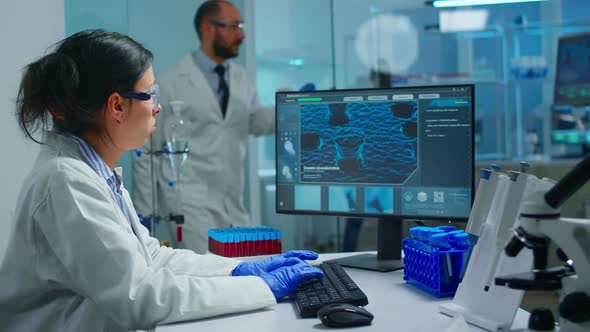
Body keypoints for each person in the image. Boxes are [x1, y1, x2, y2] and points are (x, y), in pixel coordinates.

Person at [0, 29, 323, 332]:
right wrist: (262, 287)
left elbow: (150, 256)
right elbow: (139, 296)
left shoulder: (90, 169)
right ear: (117, 106)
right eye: (150, 94)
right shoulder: (66, 181)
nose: (158, 108)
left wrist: (238, 270)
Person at [133, 0, 274, 253]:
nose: (241, 34)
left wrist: (293, 112)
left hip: (233, 202)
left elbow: (254, 122)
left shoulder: (241, 78)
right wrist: (145, 214)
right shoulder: (170, 81)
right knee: (207, 280)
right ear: (208, 28)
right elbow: (146, 151)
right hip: (190, 203)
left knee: (246, 274)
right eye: (234, 27)